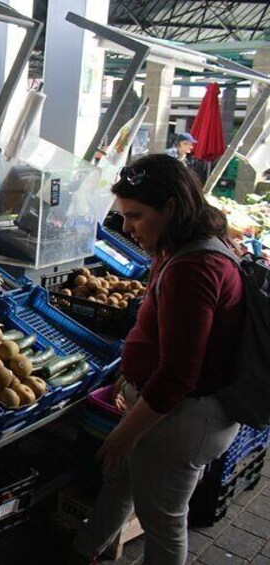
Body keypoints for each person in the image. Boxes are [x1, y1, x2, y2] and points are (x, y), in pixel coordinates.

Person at [73, 154, 243, 565]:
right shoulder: (182, 246)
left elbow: (178, 376)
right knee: (120, 484)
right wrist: (127, 381)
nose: (127, 227)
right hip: (163, 411)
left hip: (183, 419)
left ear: (170, 207)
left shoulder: (195, 268)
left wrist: (126, 432)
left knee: (163, 522)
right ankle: (84, 550)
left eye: (136, 216)